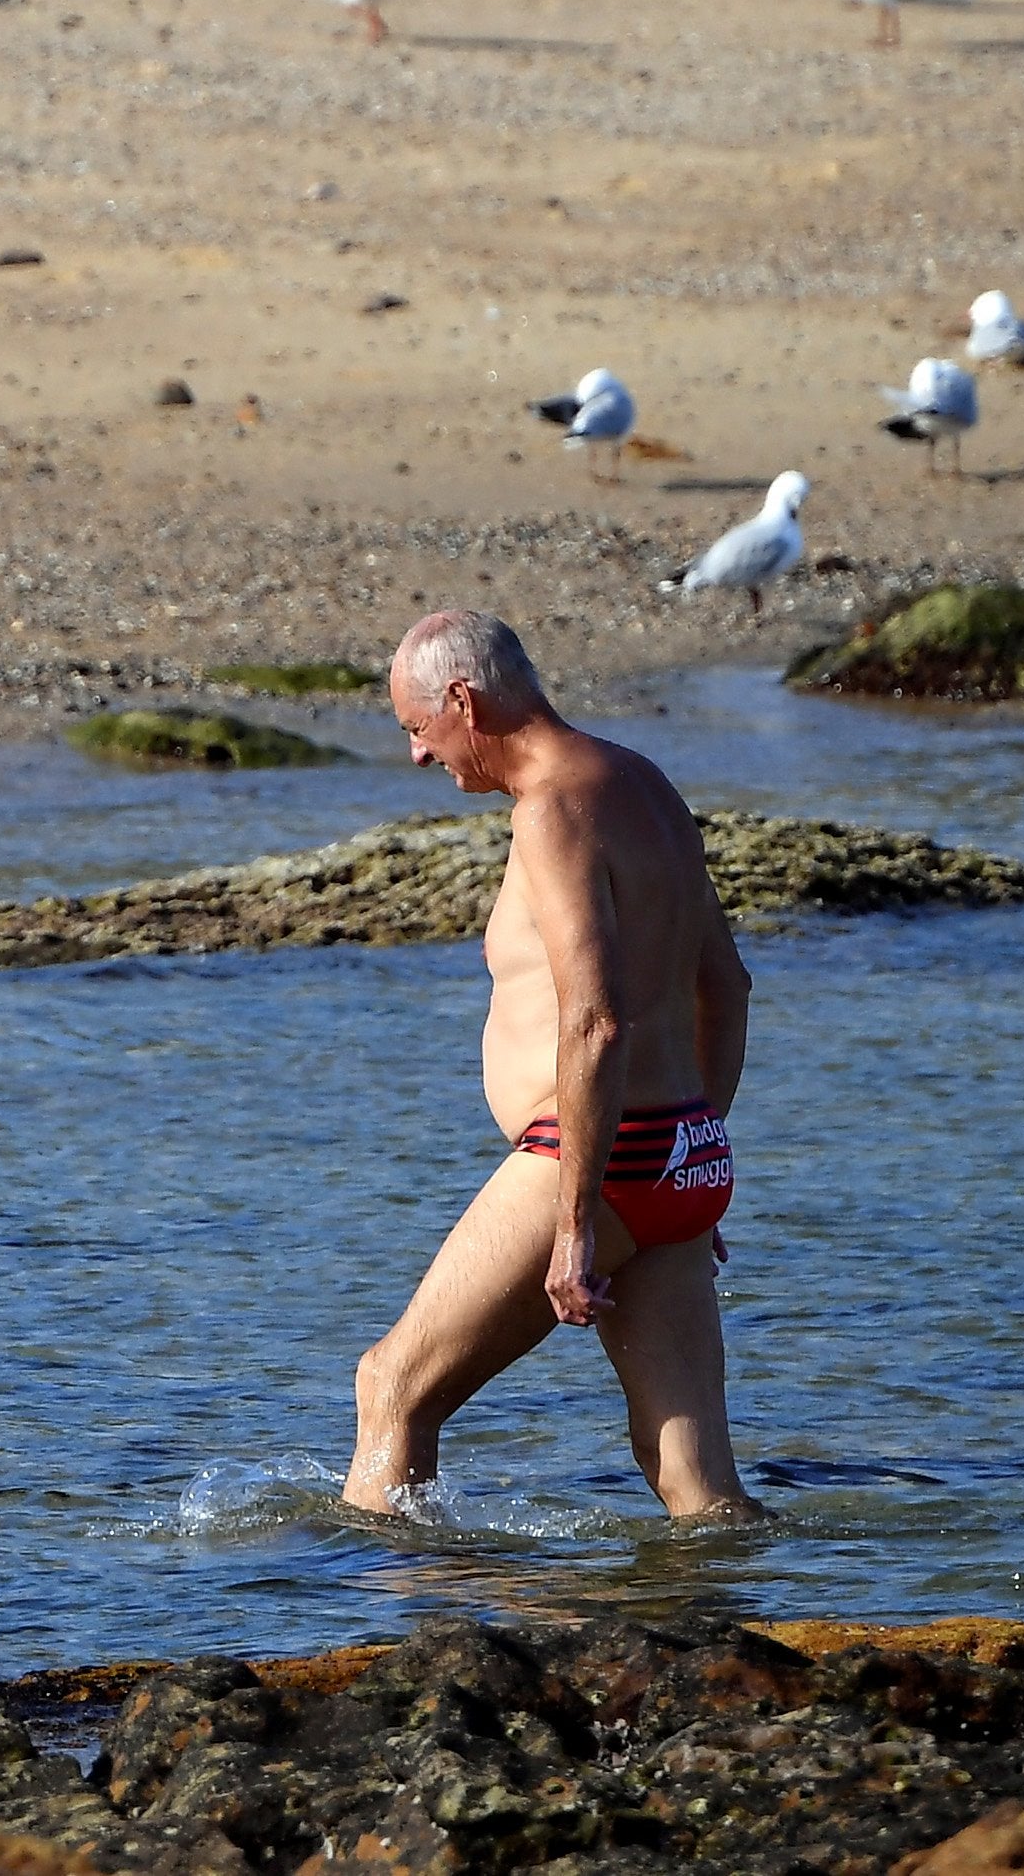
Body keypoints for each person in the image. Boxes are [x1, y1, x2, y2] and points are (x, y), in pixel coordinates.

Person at [347, 609, 758, 1523]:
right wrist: (698, 1147)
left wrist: (575, 1222)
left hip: (593, 1162)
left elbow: (596, 1020)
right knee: (699, 1488)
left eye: (418, 727)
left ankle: (389, 1644)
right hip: (676, 1152)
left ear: (464, 698)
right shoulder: (642, 783)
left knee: (393, 1387)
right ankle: (765, 1651)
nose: (418, 755)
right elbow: (727, 988)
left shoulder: (551, 809)